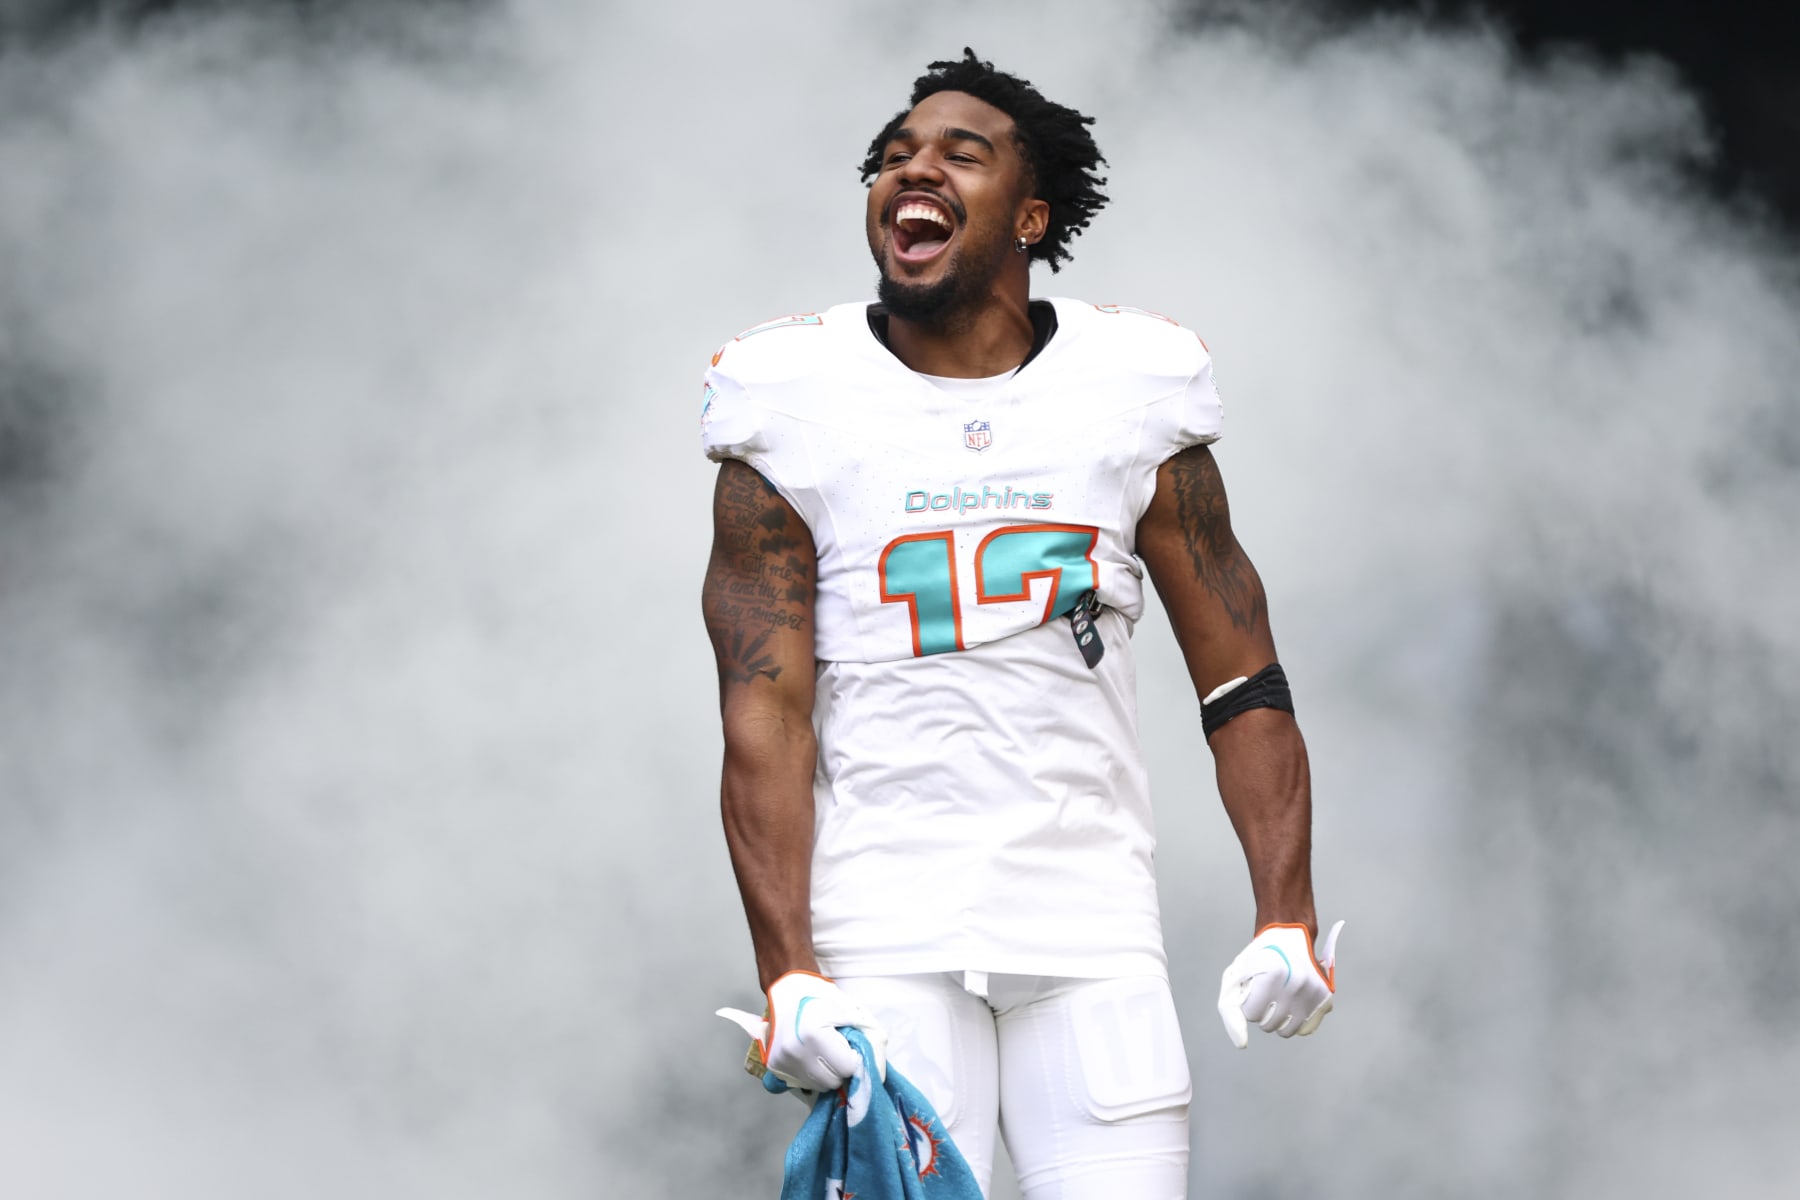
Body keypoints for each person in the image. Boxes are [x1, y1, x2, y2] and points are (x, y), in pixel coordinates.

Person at [700, 49, 1344, 1200]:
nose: (915, 170)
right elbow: (765, 709)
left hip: (1092, 925)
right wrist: (788, 968)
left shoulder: (1133, 382)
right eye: (895, 156)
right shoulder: (788, 394)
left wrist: (1285, 913)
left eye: (961, 154)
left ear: (1031, 216)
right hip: (885, 929)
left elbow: (1240, 676)